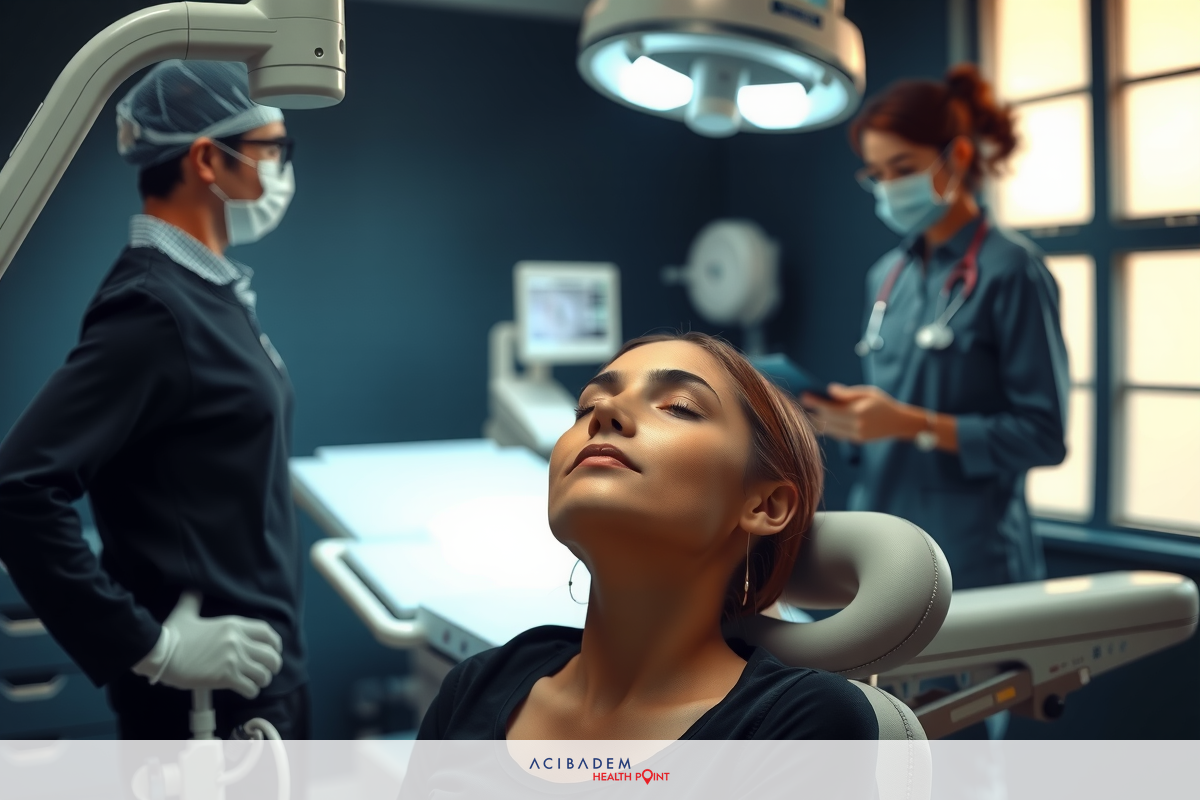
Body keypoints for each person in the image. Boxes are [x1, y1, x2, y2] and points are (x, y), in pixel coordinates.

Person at [0, 60, 308, 739]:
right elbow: (19, 486)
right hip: (209, 703)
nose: (284, 169)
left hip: (255, 676)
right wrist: (151, 647)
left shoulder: (208, 292)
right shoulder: (154, 309)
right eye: (273, 149)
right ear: (206, 158)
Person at [416, 332, 877, 743]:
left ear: (764, 505)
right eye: (587, 407)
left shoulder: (802, 723)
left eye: (679, 407)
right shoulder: (474, 686)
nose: (606, 413)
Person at [801, 64, 1069, 740]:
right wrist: (845, 422)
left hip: (973, 562)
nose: (889, 188)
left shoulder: (1012, 273)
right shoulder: (885, 276)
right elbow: (891, 414)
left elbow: (1044, 434)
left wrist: (912, 425)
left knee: (961, 752)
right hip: (880, 554)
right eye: (876, 174)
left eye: (903, 167)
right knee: (875, 748)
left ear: (957, 158)